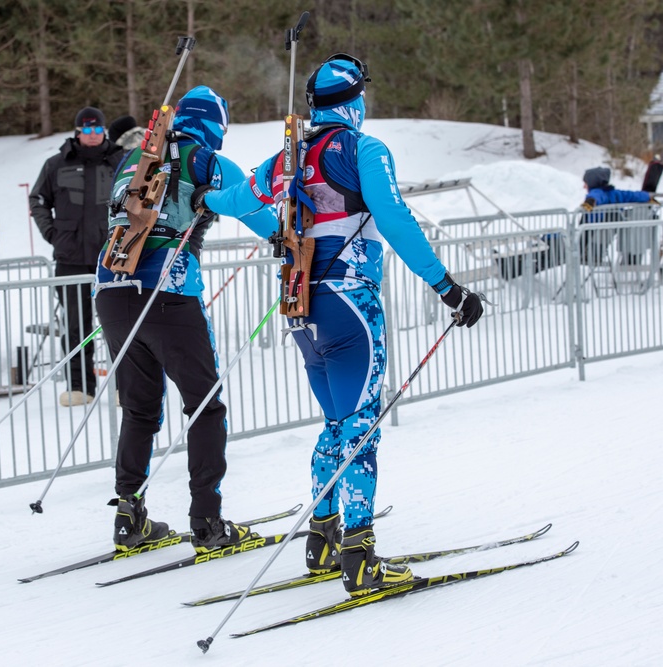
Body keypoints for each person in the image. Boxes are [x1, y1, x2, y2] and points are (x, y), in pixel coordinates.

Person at [197, 55, 484, 597]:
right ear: (356, 101)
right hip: (350, 301)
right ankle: (360, 556)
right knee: (361, 428)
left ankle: (323, 539)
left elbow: (238, 199)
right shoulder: (364, 149)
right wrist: (447, 286)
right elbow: (395, 218)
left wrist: (202, 197)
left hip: (301, 302)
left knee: (335, 424)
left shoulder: (290, 155)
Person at [94, 86, 278, 553]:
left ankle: (128, 517)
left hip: (112, 288)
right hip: (168, 293)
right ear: (216, 125)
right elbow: (255, 209)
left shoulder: (136, 157)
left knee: (139, 408)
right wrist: (285, 237)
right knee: (204, 406)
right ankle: (207, 523)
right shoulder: (205, 160)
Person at [30, 106, 126, 406]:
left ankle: (126, 386)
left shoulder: (121, 161)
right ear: (78, 132)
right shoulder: (56, 164)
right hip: (70, 257)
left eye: (98, 129)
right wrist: (52, 233)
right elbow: (38, 200)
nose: (93, 135)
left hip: (112, 257)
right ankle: (80, 387)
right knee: (75, 326)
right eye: (87, 130)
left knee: (120, 322)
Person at [579, 167, 654, 265]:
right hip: (602, 235)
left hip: (592, 232)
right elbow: (632, 195)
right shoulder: (615, 194)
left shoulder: (597, 192)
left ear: (593, 182)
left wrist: (588, 203)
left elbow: (595, 197)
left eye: (586, 183)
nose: (584, 186)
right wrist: (648, 197)